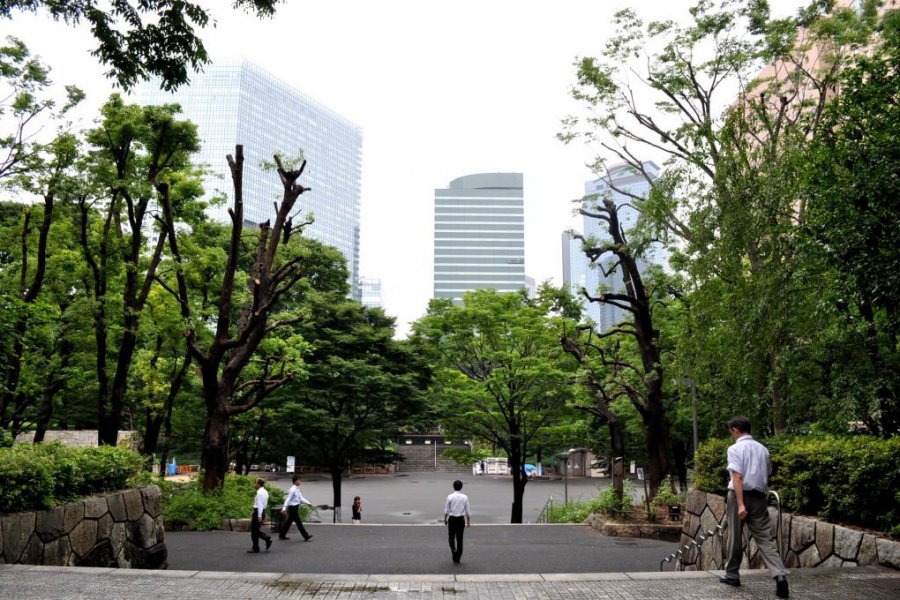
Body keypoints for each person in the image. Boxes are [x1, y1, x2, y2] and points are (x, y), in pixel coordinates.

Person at [720, 416, 789, 598]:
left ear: (735, 430)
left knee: (735, 537)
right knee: (765, 539)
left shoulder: (734, 449)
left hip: (738, 496)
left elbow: (737, 477)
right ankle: (780, 575)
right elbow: (766, 473)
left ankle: (732, 575)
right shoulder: (763, 449)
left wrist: (741, 504)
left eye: (731, 431)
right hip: (759, 497)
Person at [444, 479, 470, 564]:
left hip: (452, 519)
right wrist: (468, 521)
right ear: (461, 487)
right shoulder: (465, 497)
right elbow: (467, 510)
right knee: (460, 538)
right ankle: (458, 557)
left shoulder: (450, 496)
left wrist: (445, 519)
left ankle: (453, 550)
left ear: (453, 487)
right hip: (460, 519)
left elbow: (447, 510)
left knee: (451, 537)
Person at [279, 475, 313, 541]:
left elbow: (301, 498)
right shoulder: (292, 490)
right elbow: (287, 499)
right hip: (292, 508)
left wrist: (308, 503)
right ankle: (306, 536)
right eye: (299, 480)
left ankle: (282, 535)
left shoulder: (297, 489)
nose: (300, 481)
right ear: (295, 481)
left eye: (300, 480)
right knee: (298, 522)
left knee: (289, 522)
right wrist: (284, 508)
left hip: (295, 507)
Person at [248, 478, 273, 553]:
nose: (255, 484)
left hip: (259, 511)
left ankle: (264, 540)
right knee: (255, 530)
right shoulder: (265, 491)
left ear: (258, 484)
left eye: (256, 483)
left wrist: (259, 516)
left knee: (254, 530)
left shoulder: (259, 493)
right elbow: (263, 504)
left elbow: (260, 504)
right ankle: (258, 545)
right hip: (262, 511)